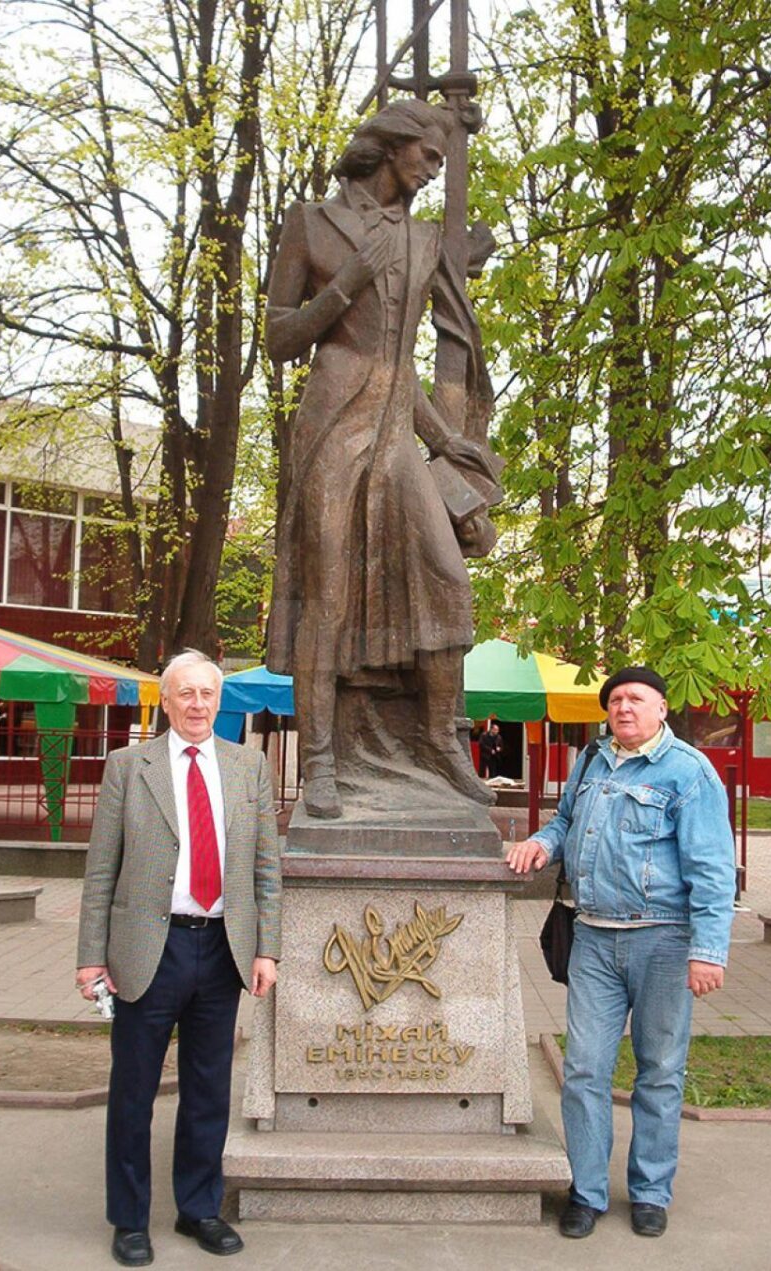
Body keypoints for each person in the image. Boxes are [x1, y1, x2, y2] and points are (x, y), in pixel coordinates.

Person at [264, 98, 497, 819]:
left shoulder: (424, 240)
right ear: (392, 147)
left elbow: (405, 359)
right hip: (334, 420)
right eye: (428, 155)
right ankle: (323, 760)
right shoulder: (311, 222)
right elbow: (278, 338)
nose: (434, 169)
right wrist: (346, 284)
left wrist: (442, 438)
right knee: (328, 590)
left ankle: (436, 741)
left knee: (446, 576)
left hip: (399, 428)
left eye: (440, 160)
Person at [507, 666, 734, 1241]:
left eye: (636, 699)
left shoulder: (688, 772)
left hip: (664, 940)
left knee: (659, 1072)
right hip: (593, 939)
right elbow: (565, 823)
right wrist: (540, 841)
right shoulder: (590, 761)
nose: (623, 708)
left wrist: (709, 951)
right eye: (614, 701)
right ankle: (585, 1193)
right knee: (584, 1069)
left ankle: (651, 1191)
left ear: (661, 709)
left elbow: (711, 868)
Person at [76, 649, 282, 1267]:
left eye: (207, 695)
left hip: (222, 949)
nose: (197, 705)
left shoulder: (249, 766)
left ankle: (198, 1209)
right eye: (185, 694)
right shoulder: (128, 766)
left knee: (207, 1090)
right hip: (147, 949)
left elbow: (267, 868)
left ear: (220, 702)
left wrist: (266, 948)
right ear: (165, 702)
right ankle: (130, 1219)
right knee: (134, 1091)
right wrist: (91, 958)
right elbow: (99, 871)